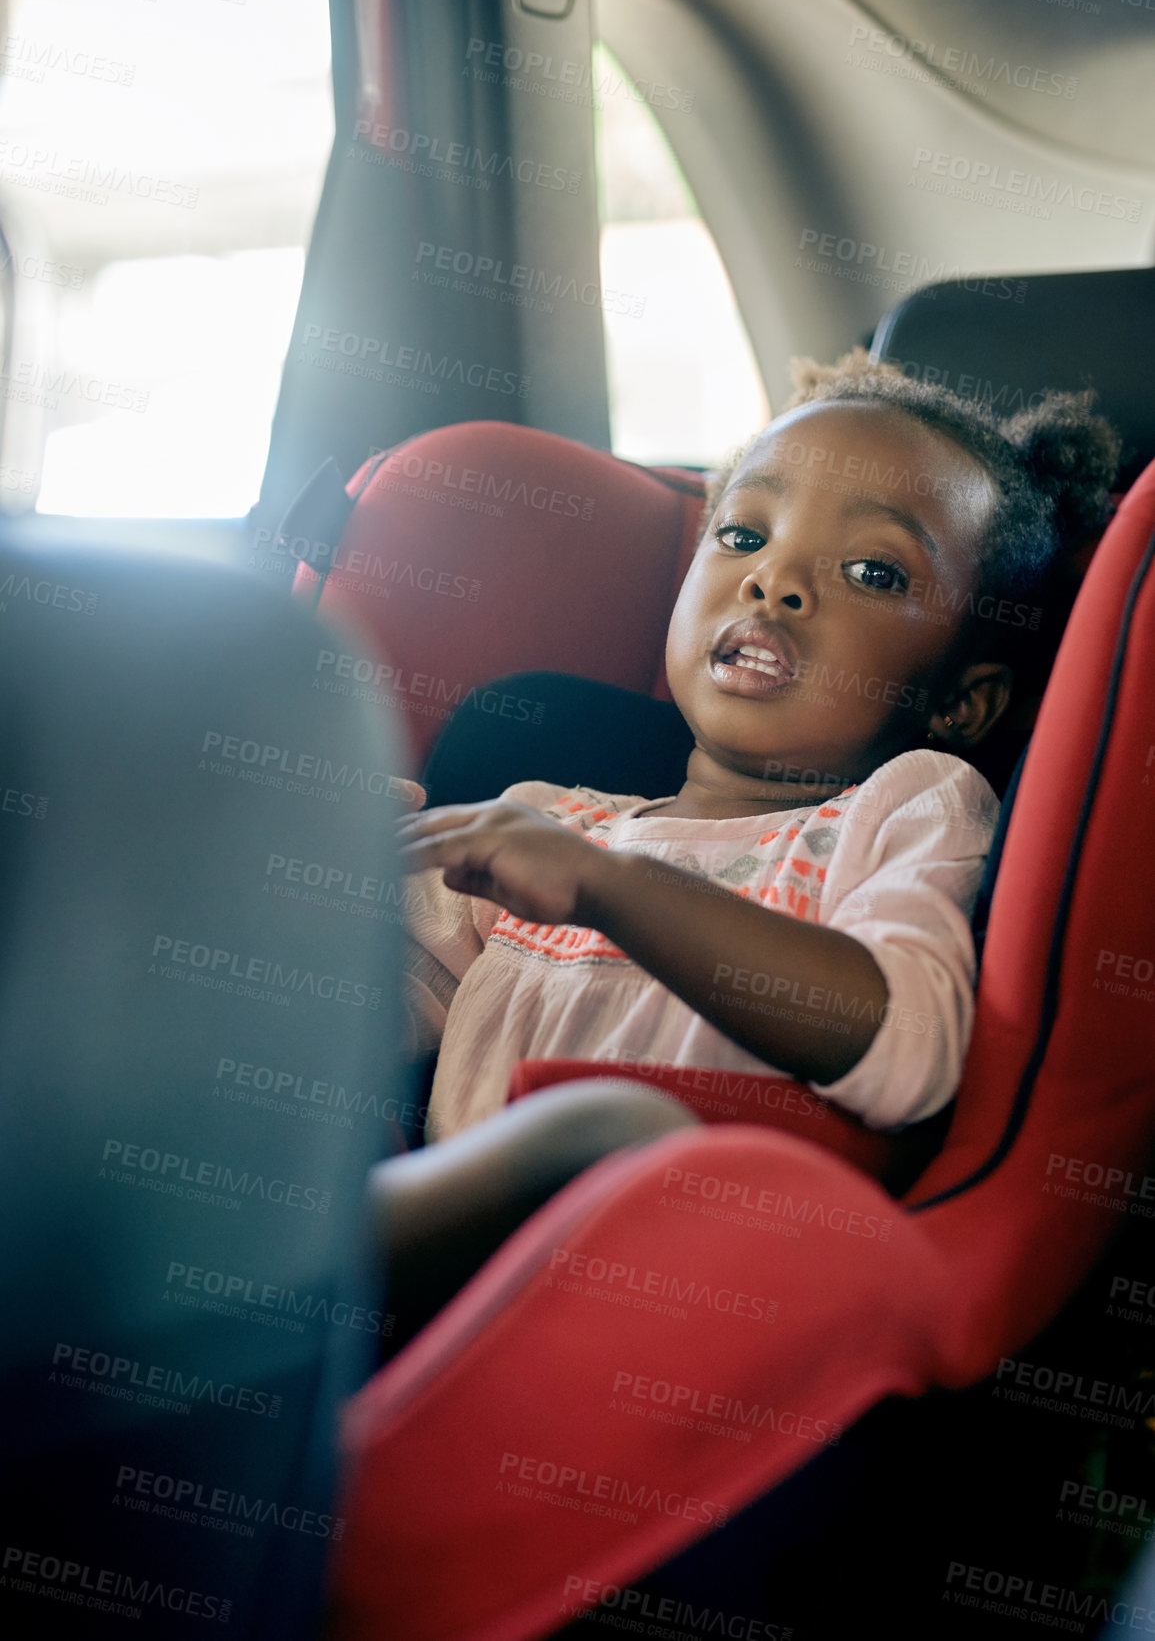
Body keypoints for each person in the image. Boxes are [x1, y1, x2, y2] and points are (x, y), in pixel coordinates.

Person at [371, 349, 1119, 1348]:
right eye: (742, 535)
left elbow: (912, 1058)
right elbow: (374, 1027)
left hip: (679, 1315)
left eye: (872, 572)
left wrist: (610, 888)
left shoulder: (906, 808)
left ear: (959, 700)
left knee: (606, 1133)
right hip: (438, 1300)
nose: (777, 580)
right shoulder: (547, 815)